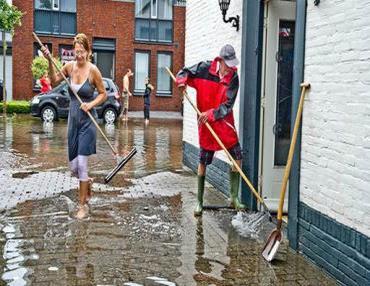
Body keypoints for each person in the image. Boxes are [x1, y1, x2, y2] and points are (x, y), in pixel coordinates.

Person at [42, 33, 107, 219]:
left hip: (88, 121)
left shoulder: (94, 70)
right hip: (73, 120)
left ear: (88, 51)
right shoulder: (69, 67)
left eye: (82, 52)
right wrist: (49, 59)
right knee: (73, 168)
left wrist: (91, 104)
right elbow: (54, 81)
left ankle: (82, 205)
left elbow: (103, 94)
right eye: (76, 52)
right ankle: (87, 182)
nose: (78, 56)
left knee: (82, 163)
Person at [176, 44, 245, 216]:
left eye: (232, 65)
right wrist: (182, 83)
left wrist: (212, 113)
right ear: (220, 61)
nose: (230, 68)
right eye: (227, 64)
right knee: (203, 161)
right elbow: (183, 72)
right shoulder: (204, 69)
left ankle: (234, 197)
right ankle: (199, 201)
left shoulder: (233, 77)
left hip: (224, 122)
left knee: (237, 157)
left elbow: (228, 105)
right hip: (206, 125)